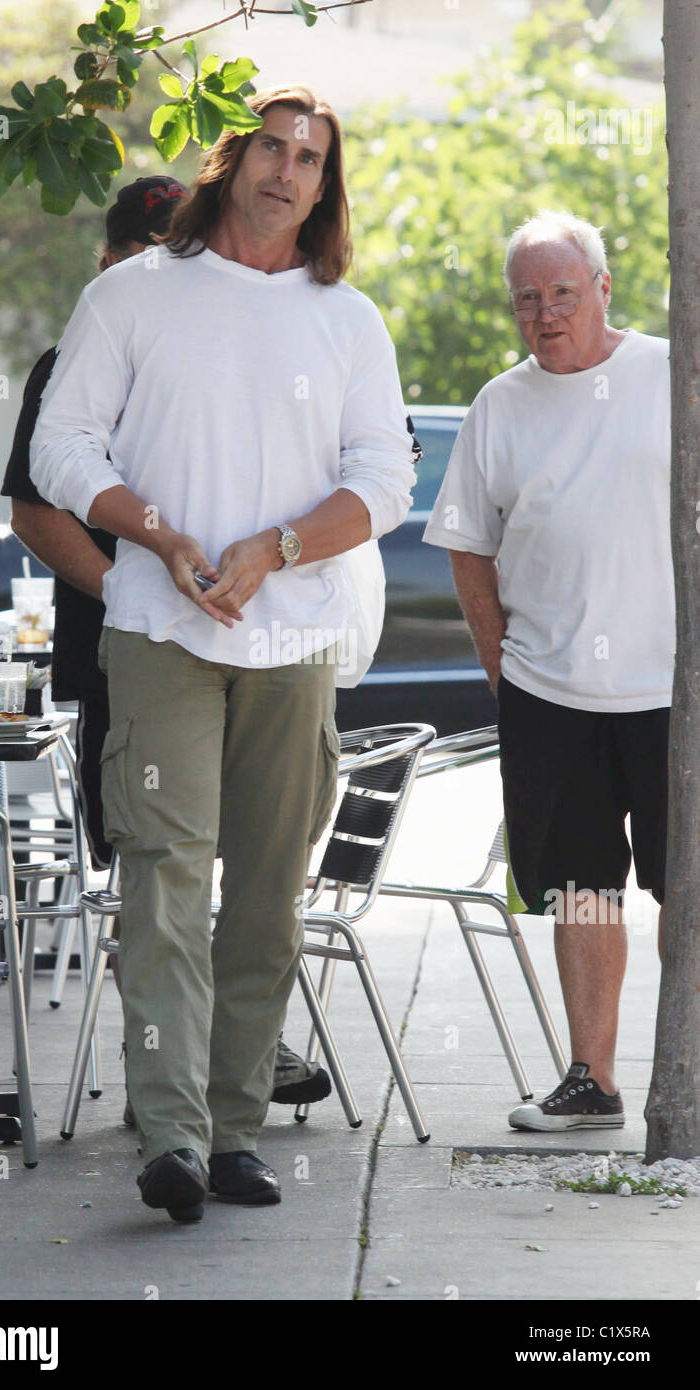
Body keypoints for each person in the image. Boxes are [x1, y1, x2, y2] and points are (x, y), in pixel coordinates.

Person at [30, 85, 417, 1222]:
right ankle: (174, 1136)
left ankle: (236, 1127)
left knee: (265, 897)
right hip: (158, 630)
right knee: (161, 878)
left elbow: (385, 482)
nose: (288, 170)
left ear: (322, 184)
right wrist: (159, 533)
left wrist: (278, 546)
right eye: (271, 148)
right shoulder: (134, 294)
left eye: (310, 157)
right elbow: (60, 445)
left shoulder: (349, 319)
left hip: (295, 642)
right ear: (231, 159)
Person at [1, 174, 332, 1119]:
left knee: (257, 869)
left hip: (261, 648)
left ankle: (236, 1061)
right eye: (150, 247)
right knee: (162, 873)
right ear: (112, 257)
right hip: (132, 645)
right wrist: (134, 593)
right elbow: (33, 506)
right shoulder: (78, 351)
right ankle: (171, 1095)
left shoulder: (259, 332)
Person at [423, 209, 672, 1133]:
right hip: (548, 693)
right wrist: (504, 670)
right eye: (526, 299)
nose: (545, 313)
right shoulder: (499, 403)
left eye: (562, 292)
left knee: (683, 891)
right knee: (578, 888)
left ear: (603, 288)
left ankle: (681, 1076)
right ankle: (592, 1080)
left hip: (672, 691)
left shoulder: (666, 374)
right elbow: (466, 548)